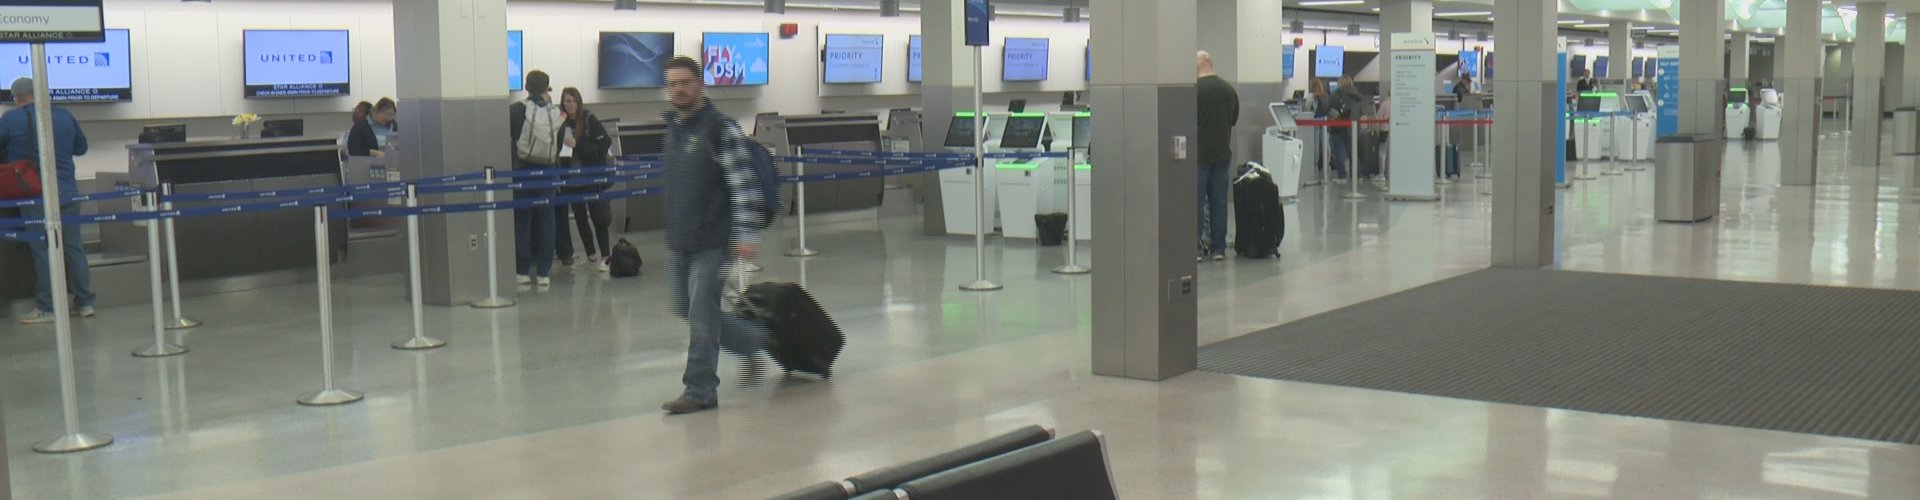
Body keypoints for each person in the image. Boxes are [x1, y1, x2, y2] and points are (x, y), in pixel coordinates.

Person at [659, 56, 769, 415]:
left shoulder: (721, 129)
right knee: (687, 310)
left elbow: (744, 186)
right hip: (681, 240)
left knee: (702, 314)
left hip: (713, 242)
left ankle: (700, 389)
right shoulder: (674, 129)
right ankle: (755, 342)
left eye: (685, 82)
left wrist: (746, 233)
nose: (679, 89)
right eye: (672, 83)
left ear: (700, 86)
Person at [1, 78, 94, 324]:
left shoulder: (11, 119)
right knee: (73, 247)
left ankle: (48, 307)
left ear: (17, 97)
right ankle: (85, 303)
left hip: (34, 192)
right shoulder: (64, 116)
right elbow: (81, 148)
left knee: (42, 249)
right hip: (68, 190)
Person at [509, 71, 564, 288]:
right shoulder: (556, 112)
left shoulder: (515, 110)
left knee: (522, 221)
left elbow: (512, 139)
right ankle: (544, 273)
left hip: (522, 170)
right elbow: (558, 145)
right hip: (548, 171)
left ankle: (522, 272)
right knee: (547, 221)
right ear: (547, 87)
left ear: (526, 86)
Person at [559, 87, 615, 273]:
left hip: (590, 178)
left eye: (574, 101)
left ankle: (605, 255)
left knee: (598, 217)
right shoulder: (560, 121)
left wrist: (578, 144)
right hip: (571, 179)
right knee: (580, 217)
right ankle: (591, 253)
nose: (571, 105)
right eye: (567, 101)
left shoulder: (589, 119)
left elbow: (603, 143)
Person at [1194, 50, 1238, 262]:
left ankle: (1196, 248)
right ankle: (1218, 248)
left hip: (1199, 155)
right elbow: (1234, 118)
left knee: (1196, 201)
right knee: (1219, 202)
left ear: (1197, 66)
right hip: (1222, 154)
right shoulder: (1228, 90)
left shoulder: (1194, 91)